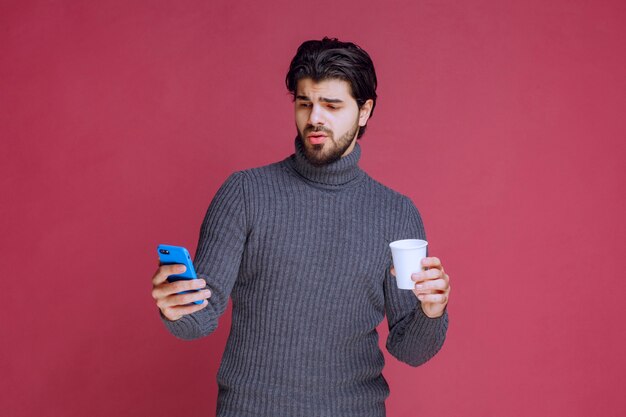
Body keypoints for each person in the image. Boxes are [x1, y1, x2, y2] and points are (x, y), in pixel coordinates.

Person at [151, 37, 451, 417]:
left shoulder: (395, 213)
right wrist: (176, 308)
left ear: (364, 111)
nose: (314, 118)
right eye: (304, 103)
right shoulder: (244, 193)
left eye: (332, 105)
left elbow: (411, 350)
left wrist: (433, 311)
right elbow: (201, 317)